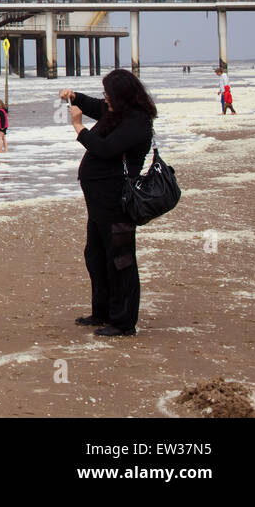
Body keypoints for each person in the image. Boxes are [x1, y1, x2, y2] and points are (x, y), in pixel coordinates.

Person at [61, 70, 156, 337]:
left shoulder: (136, 122)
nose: (105, 99)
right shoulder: (118, 112)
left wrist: (79, 128)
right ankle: (102, 311)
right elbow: (96, 107)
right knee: (96, 255)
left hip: (117, 200)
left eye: (109, 95)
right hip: (99, 201)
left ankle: (124, 322)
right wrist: (75, 96)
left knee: (120, 259)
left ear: (122, 97)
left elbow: (104, 148)